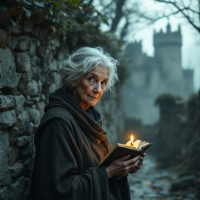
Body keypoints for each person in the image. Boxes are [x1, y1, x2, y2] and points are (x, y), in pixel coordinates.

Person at [28, 47, 145, 200]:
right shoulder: (58, 123)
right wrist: (109, 172)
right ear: (74, 79)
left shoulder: (90, 118)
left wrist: (123, 167)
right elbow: (60, 189)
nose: (98, 89)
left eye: (103, 83)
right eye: (91, 79)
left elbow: (97, 167)